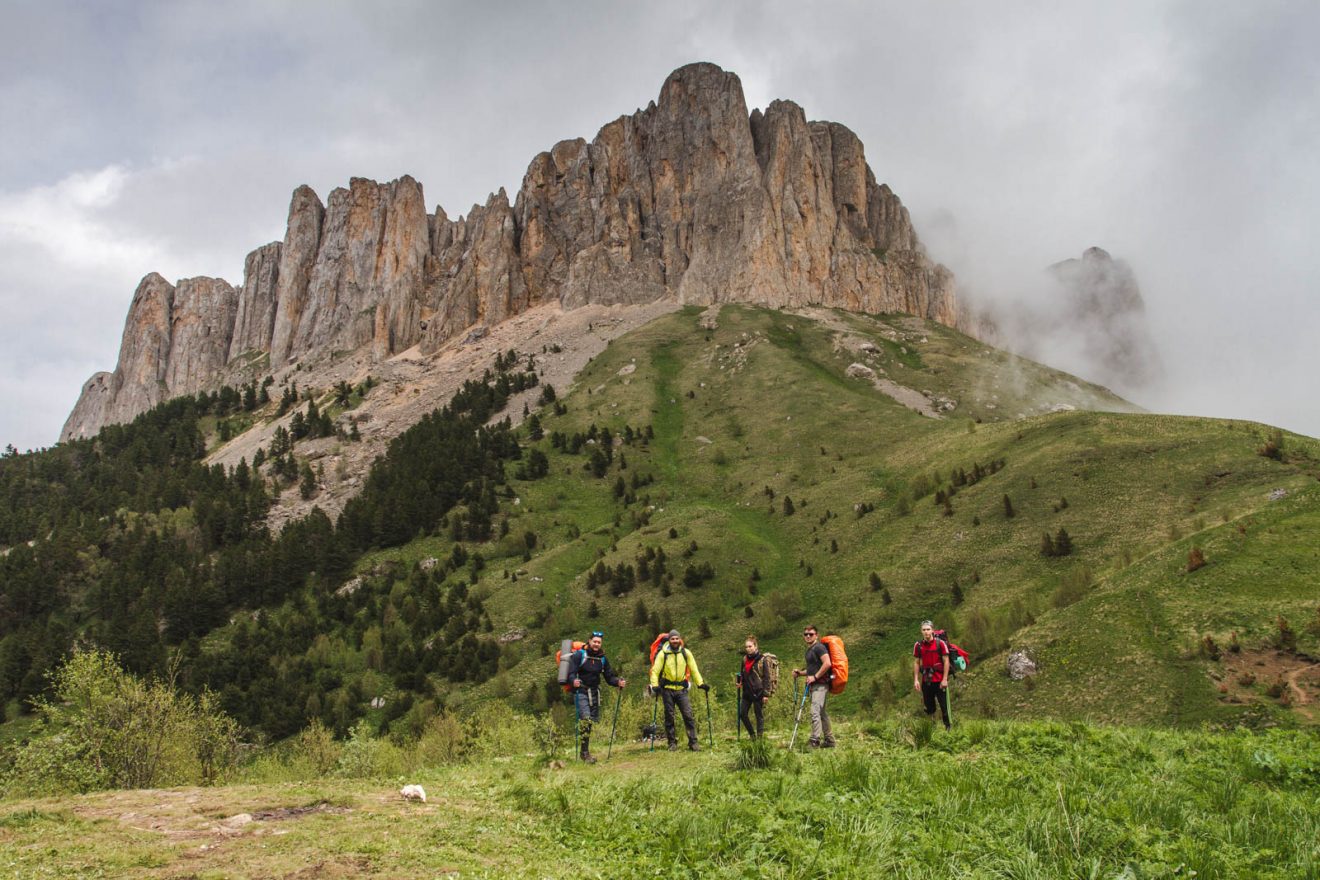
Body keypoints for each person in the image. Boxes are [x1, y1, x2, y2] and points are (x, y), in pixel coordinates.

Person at [566, 631, 626, 763]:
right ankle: (585, 753)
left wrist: (618, 682)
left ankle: (584, 751)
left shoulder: (602, 659)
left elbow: (609, 677)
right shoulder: (579, 655)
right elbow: (570, 673)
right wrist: (573, 681)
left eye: (599, 642)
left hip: (594, 693)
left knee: (589, 722)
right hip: (581, 691)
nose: (596, 644)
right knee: (585, 719)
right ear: (589, 641)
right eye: (595, 641)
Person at [648, 629, 707, 751]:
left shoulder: (686, 653)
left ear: (680, 640)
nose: (675, 641)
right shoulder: (662, 654)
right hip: (667, 690)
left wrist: (700, 683)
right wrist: (654, 685)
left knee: (688, 715)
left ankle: (693, 742)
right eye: (672, 639)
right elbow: (655, 671)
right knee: (669, 717)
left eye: (677, 638)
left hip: (681, 690)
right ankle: (672, 743)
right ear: (669, 640)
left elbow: (694, 669)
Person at [791, 625, 835, 748]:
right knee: (821, 712)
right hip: (816, 684)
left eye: (811, 634)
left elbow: (827, 663)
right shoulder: (810, 650)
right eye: (806, 634)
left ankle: (815, 740)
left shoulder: (819, 647)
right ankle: (829, 740)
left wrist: (815, 677)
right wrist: (800, 673)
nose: (808, 636)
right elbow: (812, 670)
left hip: (820, 684)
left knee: (815, 711)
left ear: (816, 635)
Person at [912, 620, 951, 730]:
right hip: (926, 680)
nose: (926, 632)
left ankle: (948, 728)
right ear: (921, 631)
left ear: (932, 630)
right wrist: (916, 680)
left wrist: (944, 679)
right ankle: (932, 728)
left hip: (939, 681)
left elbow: (946, 661)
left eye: (928, 629)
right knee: (929, 707)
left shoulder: (940, 644)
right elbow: (916, 662)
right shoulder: (918, 646)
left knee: (944, 706)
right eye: (924, 630)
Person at [735, 635, 774, 738]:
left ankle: (760, 738)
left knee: (758, 715)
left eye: (750, 646)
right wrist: (740, 682)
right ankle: (752, 735)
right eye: (746, 647)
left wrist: (766, 694)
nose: (748, 649)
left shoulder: (762, 659)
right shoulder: (744, 659)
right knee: (742, 714)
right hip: (747, 692)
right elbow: (743, 673)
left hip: (758, 692)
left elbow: (767, 677)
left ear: (755, 646)